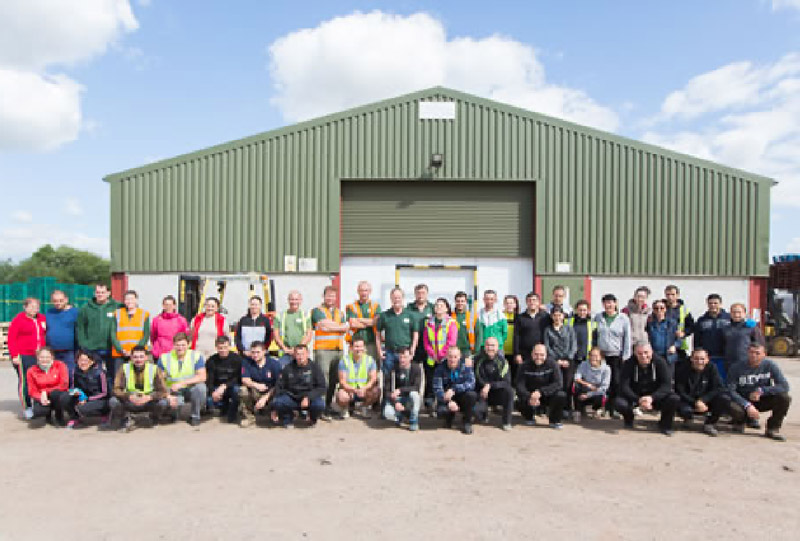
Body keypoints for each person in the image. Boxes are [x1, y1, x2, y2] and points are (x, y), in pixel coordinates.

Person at [728, 343, 791, 441]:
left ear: (764, 354)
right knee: (730, 404)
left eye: (757, 353)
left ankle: (772, 428)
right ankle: (740, 422)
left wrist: (762, 391)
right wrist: (747, 405)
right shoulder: (736, 367)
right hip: (742, 400)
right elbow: (730, 390)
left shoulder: (770, 365)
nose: (753, 355)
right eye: (751, 352)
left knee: (784, 398)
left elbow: (784, 386)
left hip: (761, 399)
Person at [616, 342, 679, 436]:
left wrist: (652, 398)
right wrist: (638, 399)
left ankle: (665, 425)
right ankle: (629, 419)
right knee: (619, 402)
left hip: (655, 396)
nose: (643, 356)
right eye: (640, 353)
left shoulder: (661, 362)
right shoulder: (628, 364)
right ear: (635, 353)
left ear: (651, 352)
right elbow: (624, 386)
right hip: (636, 396)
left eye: (646, 352)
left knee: (674, 398)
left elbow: (666, 385)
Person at [108, 346, 168, 432]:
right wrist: (129, 396)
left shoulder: (154, 369)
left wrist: (149, 397)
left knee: (163, 402)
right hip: (130, 401)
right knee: (113, 401)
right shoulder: (124, 368)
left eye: (141, 357)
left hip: (148, 401)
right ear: (131, 358)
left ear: (146, 357)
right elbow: (116, 389)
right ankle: (124, 419)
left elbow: (163, 391)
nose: (138, 360)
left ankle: (153, 418)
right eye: (135, 357)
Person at [76, 284, 122, 390]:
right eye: (98, 292)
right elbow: (80, 328)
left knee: (114, 374)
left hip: (112, 348)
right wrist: (84, 344)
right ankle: (98, 395)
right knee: (95, 375)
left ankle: (112, 395)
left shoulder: (117, 307)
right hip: (92, 348)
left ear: (108, 293)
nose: (100, 294)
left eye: (102, 292)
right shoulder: (86, 308)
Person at [311, 285, 348, 415]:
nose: (330, 298)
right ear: (324, 296)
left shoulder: (340, 313)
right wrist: (340, 327)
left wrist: (332, 327)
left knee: (334, 380)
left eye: (333, 296)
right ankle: (320, 407)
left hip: (337, 350)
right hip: (323, 350)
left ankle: (327, 405)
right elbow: (323, 325)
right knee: (323, 379)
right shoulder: (317, 311)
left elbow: (344, 329)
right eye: (328, 295)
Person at [674, 349, 729, 437]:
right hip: (688, 400)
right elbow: (680, 390)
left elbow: (718, 387)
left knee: (724, 398)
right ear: (691, 359)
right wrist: (695, 402)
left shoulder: (712, 368)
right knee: (677, 402)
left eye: (702, 359)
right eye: (696, 358)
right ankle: (687, 418)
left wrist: (703, 400)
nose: (699, 362)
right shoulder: (682, 369)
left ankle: (709, 424)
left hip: (706, 400)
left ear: (707, 360)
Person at [157, 332, 208, 426]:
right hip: (173, 391)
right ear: (173, 345)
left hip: (190, 389)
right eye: (177, 345)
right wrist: (168, 395)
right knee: (165, 404)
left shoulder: (196, 356)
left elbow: (202, 377)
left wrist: (182, 383)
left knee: (201, 388)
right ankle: (172, 413)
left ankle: (195, 416)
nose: (180, 348)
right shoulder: (164, 358)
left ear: (188, 344)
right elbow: (159, 380)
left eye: (183, 345)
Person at [8, 297, 47, 418]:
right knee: (26, 381)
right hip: (24, 355)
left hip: (40, 356)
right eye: (31, 307)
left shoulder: (42, 318)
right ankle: (27, 407)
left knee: (40, 380)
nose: (34, 309)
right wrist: (14, 355)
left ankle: (39, 404)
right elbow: (11, 338)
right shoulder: (18, 320)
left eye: (37, 307)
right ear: (25, 307)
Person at [594, 294, 631, 418]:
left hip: (616, 356)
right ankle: (601, 407)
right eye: (606, 303)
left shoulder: (623, 318)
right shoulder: (598, 317)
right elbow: (594, 336)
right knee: (602, 382)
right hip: (602, 356)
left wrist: (626, 356)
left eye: (611, 302)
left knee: (615, 382)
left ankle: (613, 408)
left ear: (615, 303)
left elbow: (627, 338)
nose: (608, 305)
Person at [272, 344, 327, 428]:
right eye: (298, 354)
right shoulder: (288, 368)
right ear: (294, 355)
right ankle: (288, 418)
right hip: (292, 398)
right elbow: (279, 386)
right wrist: (274, 408)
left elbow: (322, 387)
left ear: (307, 354)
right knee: (278, 402)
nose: (300, 357)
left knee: (319, 404)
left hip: (309, 398)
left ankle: (312, 418)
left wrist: (308, 397)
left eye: (303, 354)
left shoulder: (315, 368)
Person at [516, 344, 566, 428]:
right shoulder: (524, 366)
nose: (538, 357)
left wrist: (541, 392)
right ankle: (529, 417)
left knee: (561, 395)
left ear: (546, 355)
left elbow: (558, 383)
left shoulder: (553, 364)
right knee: (518, 398)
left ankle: (554, 420)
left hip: (547, 395)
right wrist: (530, 396)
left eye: (542, 355)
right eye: (536, 354)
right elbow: (519, 385)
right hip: (530, 396)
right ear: (532, 354)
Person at [110, 290, 151, 391]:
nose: (129, 301)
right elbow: (113, 334)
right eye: (127, 299)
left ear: (136, 300)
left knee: (138, 378)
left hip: (138, 354)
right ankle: (119, 397)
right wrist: (121, 349)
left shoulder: (144, 314)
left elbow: (146, 335)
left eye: (132, 299)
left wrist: (135, 351)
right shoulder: (117, 313)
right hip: (120, 353)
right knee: (119, 379)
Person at [422, 298, 458, 410]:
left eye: (441, 305)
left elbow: (451, 341)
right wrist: (433, 354)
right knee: (430, 382)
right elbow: (426, 341)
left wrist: (441, 355)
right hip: (432, 359)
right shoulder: (429, 322)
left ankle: (443, 406)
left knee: (444, 383)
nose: (438, 307)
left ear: (447, 308)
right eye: (437, 305)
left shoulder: (451, 322)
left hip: (445, 359)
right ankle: (429, 405)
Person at [60, 350, 109, 429]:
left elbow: (105, 393)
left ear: (92, 362)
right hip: (82, 397)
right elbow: (73, 387)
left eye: (86, 360)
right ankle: (74, 418)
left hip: (99, 399)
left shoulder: (100, 373)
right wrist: (74, 392)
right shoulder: (75, 371)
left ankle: (104, 415)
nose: (83, 363)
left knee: (83, 408)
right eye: (80, 360)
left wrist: (87, 399)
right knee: (64, 397)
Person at [433, 346, 477, 434]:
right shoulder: (440, 369)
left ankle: (467, 422)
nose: (452, 359)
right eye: (450, 357)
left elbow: (471, 383)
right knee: (441, 412)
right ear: (446, 356)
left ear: (459, 357)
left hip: (461, 395)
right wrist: (448, 401)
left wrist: (454, 389)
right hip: (447, 397)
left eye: (455, 357)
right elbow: (437, 388)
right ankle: (448, 419)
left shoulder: (466, 366)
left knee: (472, 395)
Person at [473, 337, 514, 430]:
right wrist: (484, 386)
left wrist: (490, 385)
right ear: (484, 347)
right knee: (475, 411)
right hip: (482, 393)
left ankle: (506, 422)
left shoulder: (503, 362)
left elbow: (506, 382)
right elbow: (476, 377)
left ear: (497, 347)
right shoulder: (477, 359)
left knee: (510, 391)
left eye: (493, 345)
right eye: (488, 345)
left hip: (496, 393)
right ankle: (483, 415)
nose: (490, 348)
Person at [376, 287, 418, 378]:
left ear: (403, 298)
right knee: (387, 377)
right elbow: (378, 334)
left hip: (405, 352)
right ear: (391, 299)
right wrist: (379, 350)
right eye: (394, 298)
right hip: (389, 352)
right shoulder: (384, 315)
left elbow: (415, 334)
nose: (397, 300)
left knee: (403, 378)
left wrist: (413, 349)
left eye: (399, 297)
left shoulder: (410, 315)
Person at [238, 341, 281, 427]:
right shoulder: (247, 362)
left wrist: (265, 398)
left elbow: (279, 384)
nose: (255, 355)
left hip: (271, 393)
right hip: (255, 391)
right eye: (253, 352)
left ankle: (274, 413)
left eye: (258, 352)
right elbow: (245, 379)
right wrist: (256, 385)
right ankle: (250, 418)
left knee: (280, 395)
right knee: (243, 390)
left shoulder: (274, 363)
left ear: (264, 352)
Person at [334, 337, 380, 418]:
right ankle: (345, 408)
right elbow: (342, 381)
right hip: (349, 391)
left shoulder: (370, 360)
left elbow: (373, 379)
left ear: (364, 347)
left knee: (376, 391)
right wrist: (353, 390)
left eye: (361, 346)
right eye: (356, 346)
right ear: (351, 348)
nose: (359, 349)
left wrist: (364, 389)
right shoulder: (344, 360)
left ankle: (364, 407)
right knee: (341, 396)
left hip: (364, 391)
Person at [544, 307, 577, 417]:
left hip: (568, 362)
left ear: (563, 316)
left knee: (567, 385)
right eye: (555, 315)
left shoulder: (569, 329)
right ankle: (553, 408)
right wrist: (556, 360)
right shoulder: (548, 330)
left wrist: (568, 359)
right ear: (551, 316)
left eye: (559, 315)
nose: (557, 317)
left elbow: (573, 345)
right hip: (554, 362)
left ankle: (566, 408)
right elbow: (547, 346)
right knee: (555, 383)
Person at [721, 303, 764, 382]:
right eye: (734, 312)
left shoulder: (751, 327)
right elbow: (722, 345)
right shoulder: (725, 329)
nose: (736, 315)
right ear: (730, 314)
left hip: (746, 362)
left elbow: (760, 345)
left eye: (739, 312)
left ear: (744, 314)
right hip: (729, 363)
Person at [26, 347, 69, 426]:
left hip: (56, 394)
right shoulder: (31, 371)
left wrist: (46, 391)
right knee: (38, 411)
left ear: (52, 357)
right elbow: (31, 391)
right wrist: (40, 397)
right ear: (37, 358)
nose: (44, 359)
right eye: (42, 357)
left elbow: (64, 385)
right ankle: (47, 415)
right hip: (42, 396)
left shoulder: (60, 365)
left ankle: (59, 415)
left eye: (47, 357)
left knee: (56, 394)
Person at [205, 335, 243, 424]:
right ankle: (223, 407)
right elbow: (209, 379)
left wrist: (225, 386)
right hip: (217, 388)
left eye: (225, 347)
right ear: (216, 348)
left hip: (232, 386)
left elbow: (238, 377)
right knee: (209, 400)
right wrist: (212, 392)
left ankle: (233, 413)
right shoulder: (211, 360)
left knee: (237, 391)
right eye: (220, 348)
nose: (223, 350)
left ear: (229, 346)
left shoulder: (237, 359)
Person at [383, 346, 423, 431]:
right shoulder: (393, 370)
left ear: (411, 357)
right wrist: (395, 402)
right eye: (400, 357)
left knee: (415, 395)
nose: (402, 360)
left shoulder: (416, 368)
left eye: (405, 357)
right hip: (398, 399)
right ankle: (399, 417)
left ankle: (413, 421)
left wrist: (400, 390)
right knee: (387, 413)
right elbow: (386, 390)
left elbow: (416, 387)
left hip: (410, 398)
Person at [693, 294, 731, 381]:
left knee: (722, 380)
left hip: (724, 357)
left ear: (720, 304)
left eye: (715, 303)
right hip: (708, 357)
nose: (713, 305)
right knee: (708, 380)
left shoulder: (728, 319)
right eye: (710, 303)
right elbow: (697, 339)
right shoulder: (702, 320)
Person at [513, 292, 550, 382]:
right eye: (529, 300)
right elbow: (516, 336)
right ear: (526, 302)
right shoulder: (520, 317)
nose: (532, 302)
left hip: (540, 354)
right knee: (524, 377)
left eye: (534, 300)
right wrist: (517, 353)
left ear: (538, 302)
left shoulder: (545, 317)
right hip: (524, 353)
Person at [45, 289, 78, 386]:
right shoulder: (49, 313)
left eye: (60, 300)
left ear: (66, 300)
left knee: (70, 374)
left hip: (69, 351)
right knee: (54, 376)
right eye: (55, 301)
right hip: (52, 351)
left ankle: (71, 393)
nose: (58, 303)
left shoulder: (74, 312)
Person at [272, 290, 313, 369]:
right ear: (288, 300)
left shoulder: (305, 315)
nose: (294, 302)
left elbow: (308, 334)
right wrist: (285, 348)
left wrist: (297, 350)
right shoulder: (280, 315)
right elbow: (276, 335)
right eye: (292, 299)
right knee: (282, 372)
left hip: (301, 353)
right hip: (285, 353)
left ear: (300, 300)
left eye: (296, 299)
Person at [345, 281, 381, 362]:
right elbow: (353, 324)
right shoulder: (352, 306)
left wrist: (359, 319)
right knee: (355, 366)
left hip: (371, 343)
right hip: (355, 344)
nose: (364, 293)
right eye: (361, 290)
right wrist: (369, 322)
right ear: (358, 291)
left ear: (370, 291)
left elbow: (376, 322)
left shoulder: (376, 306)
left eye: (366, 290)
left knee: (371, 366)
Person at [573, 347, 611, 420]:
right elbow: (577, 378)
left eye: (596, 356)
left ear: (601, 357)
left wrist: (588, 395)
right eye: (591, 355)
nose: (593, 358)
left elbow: (604, 387)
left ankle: (596, 409)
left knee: (602, 395)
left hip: (597, 393)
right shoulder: (583, 364)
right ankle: (578, 410)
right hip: (585, 389)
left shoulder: (606, 369)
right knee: (576, 386)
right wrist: (588, 385)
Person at [150, 295, 189, 360]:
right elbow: (153, 336)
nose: (168, 307)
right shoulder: (156, 320)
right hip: (159, 353)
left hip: (175, 354)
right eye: (166, 305)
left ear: (174, 306)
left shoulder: (181, 320)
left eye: (170, 305)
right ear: (163, 306)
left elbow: (185, 337)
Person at [646, 299, 680, 370]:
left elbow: (680, 338)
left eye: (662, 308)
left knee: (668, 376)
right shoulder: (649, 323)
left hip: (668, 356)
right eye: (656, 308)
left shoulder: (672, 323)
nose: (659, 310)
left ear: (665, 309)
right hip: (654, 356)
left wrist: (675, 346)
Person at [664, 285, 694, 362]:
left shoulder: (684, 309)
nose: (670, 297)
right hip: (665, 344)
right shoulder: (660, 308)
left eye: (673, 294)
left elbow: (691, 326)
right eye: (668, 294)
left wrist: (684, 333)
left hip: (679, 344)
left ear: (677, 295)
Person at [407, 284, 435, 366]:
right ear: (415, 294)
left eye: (423, 293)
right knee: (414, 371)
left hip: (429, 346)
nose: (420, 295)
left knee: (429, 371)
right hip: (413, 345)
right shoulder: (409, 308)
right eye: (418, 293)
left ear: (427, 294)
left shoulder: (432, 308)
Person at [475, 289, 508, 354]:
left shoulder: (501, 315)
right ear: (484, 299)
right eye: (487, 299)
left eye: (491, 299)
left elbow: (505, 333)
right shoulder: (478, 315)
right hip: (483, 348)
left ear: (495, 300)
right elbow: (476, 332)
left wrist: (497, 343)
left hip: (498, 348)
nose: (489, 301)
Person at [566, 300, 596, 366]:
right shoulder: (568, 322)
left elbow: (595, 341)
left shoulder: (593, 323)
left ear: (588, 310)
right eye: (580, 310)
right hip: (572, 358)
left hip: (587, 358)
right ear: (576, 310)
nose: (582, 312)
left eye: (584, 310)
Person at [451, 291, 476, 358]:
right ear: (455, 302)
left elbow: (478, 333)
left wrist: (476, 350)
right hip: (453, 350)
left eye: (462, 301)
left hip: (467, 350)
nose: (460, 303)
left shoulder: (472, 316)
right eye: (458, 301)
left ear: (466, 302)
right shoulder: (450, 316)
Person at [502, 295, 519, 360]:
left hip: (515, 352)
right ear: (504, 304)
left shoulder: (519, 317)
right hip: (501, 351)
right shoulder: (500, 317)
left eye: (511, 303)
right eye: (507, 303)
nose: (509, 305)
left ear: (515, 305)